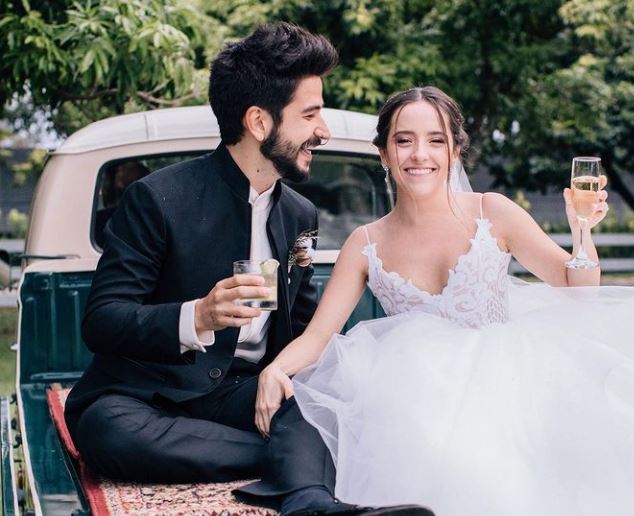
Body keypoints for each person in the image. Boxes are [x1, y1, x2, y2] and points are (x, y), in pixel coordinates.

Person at [256, 86, 634, 515]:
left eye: (436, 141)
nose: (420, 155)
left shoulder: (492, 211)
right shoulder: (365, 242)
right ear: (383, 153)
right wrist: (275, 369)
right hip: (409, 395)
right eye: (404, 141)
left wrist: (581, 232)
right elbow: (318, 337)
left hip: (511, 378)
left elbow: (578, 288)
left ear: (455, 151)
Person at [65, 22, 431, 516]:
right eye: (310, 114)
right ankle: (294, 462)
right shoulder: (157, 198)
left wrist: (290, 376)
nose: (321, 131)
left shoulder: (300, 214)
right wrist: (197, 316)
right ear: (260, 122)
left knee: (321, 400)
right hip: (144, 400)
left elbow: (300, 328)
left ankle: (309, 503)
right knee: (109, 430)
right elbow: (101, 321)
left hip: (242, 396)